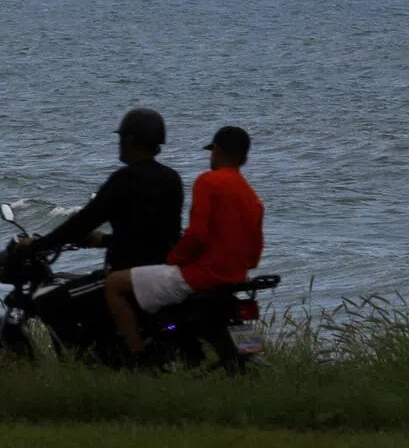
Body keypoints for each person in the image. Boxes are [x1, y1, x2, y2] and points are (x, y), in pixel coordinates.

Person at [105, 125, 264, 355]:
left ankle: (137, 359)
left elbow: (197, 234)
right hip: (235, 279)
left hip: (200, 277)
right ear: (244, 157)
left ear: (217, 150)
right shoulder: (252, 197)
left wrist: (174, 258)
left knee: (114, 284)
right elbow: (254, 255)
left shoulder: (208, 181)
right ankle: (249, 354)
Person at [20, 108, 184, 272]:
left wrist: (38, 245)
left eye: (121, 138)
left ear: (130, 140)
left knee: (57, 296)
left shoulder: (124, 178)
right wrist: (104, 240)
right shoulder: (172, 178)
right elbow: (153, 236)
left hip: (126, 272)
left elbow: (83, 222)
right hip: (163, 271)